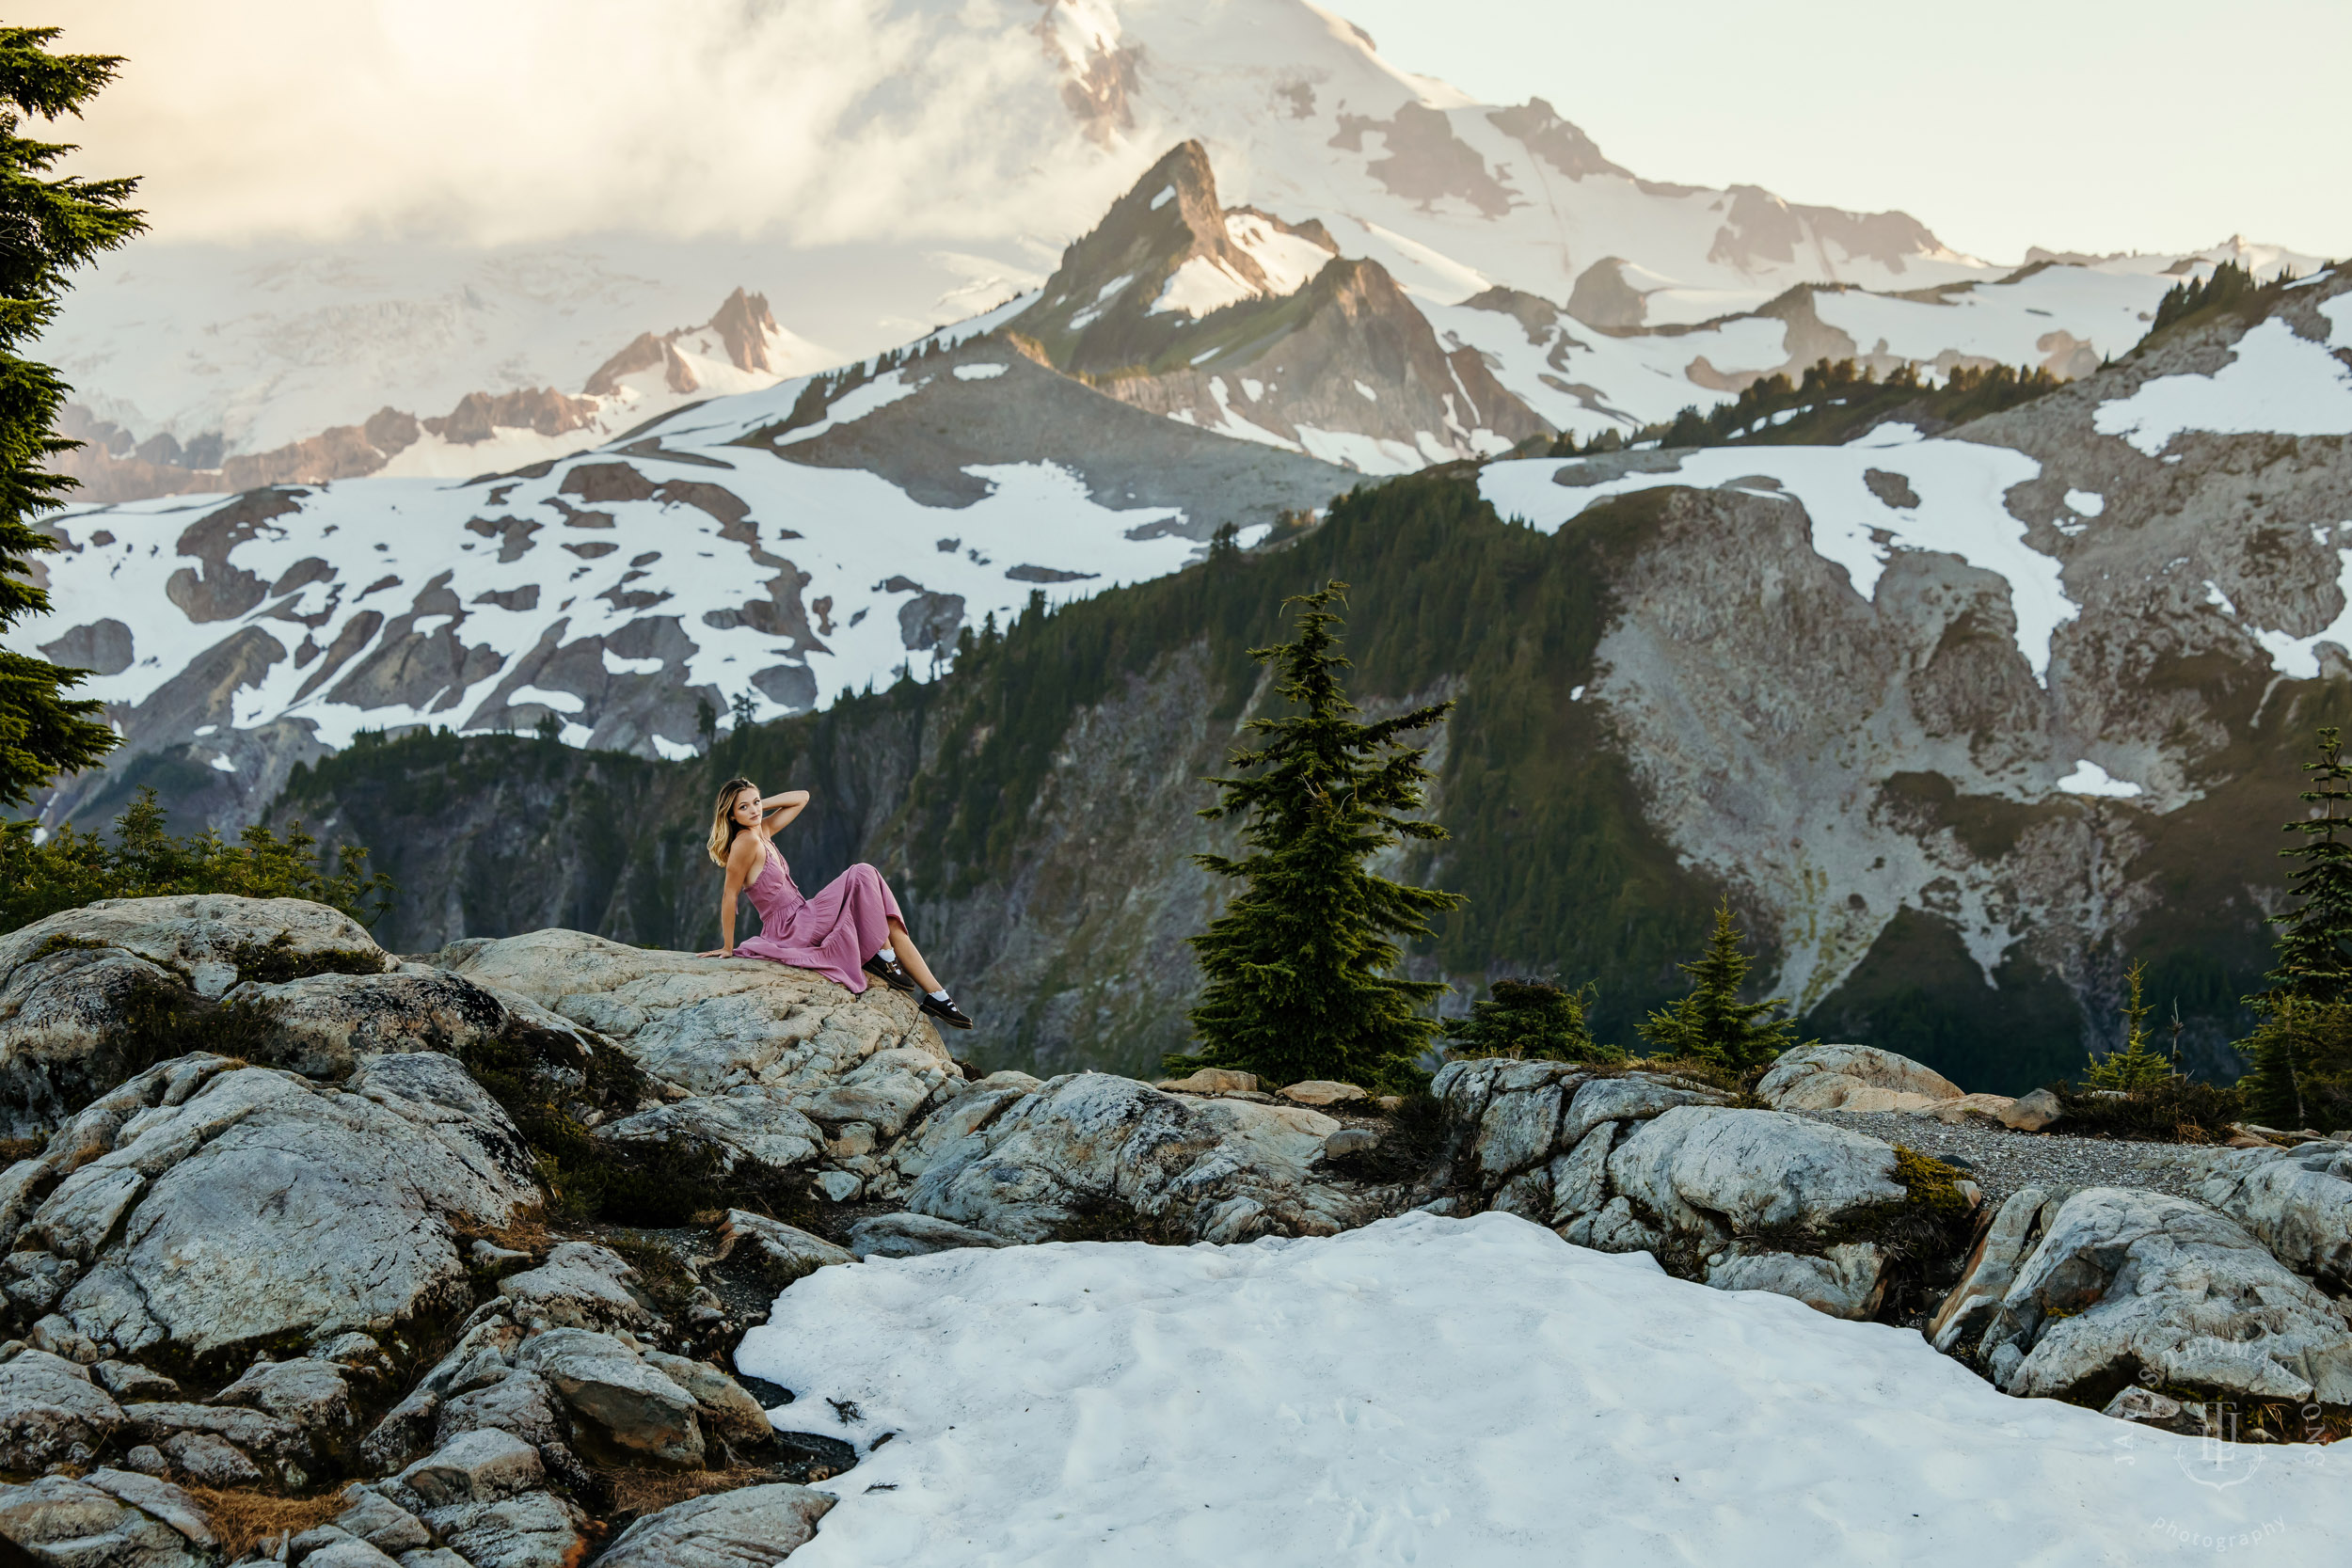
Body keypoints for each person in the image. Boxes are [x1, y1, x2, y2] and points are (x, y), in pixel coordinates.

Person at [700, 776, 972, 1029]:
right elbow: (729, 895)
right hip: (790, 929)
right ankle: (886, 958)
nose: (754, 810)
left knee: (887, 919)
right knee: (862, 872)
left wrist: (759, 806)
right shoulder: (745, 842)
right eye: (743, 807)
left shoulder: (763, 831)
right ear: (732, 815)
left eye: (756, 802)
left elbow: (802, 797)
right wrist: (727, 946)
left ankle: (938, 996)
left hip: (804, 915)